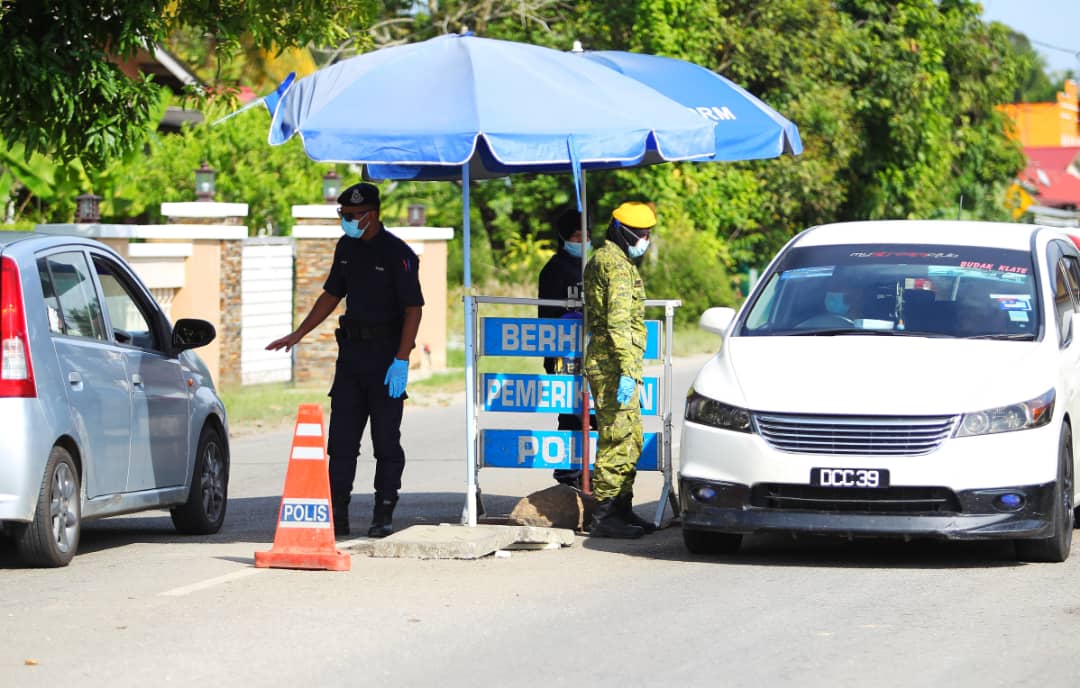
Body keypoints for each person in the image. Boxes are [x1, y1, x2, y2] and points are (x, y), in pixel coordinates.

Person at [266, 182, 423, 539]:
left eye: (353, 215)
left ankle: (383, 513)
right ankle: (337, 513)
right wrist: (298, 333)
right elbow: (331, 294)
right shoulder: (346, 247)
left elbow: (413, 309)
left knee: (385, 441)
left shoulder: (398, 253)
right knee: (341, 443)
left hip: (386, 359)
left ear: (373, 214)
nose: (347, 220)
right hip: (351, 358)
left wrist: (401, 358)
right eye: (344, 214)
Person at [583, 201, 660, 538]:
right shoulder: (612, 264)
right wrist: (628, 370)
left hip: (618, 363)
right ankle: (604, 516)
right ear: (622, 231)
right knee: (616, 438)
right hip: (612, 364)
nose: (645, 240)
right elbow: (617, 324)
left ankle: (622, 508)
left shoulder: (615, 260)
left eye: (648, 233)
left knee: (631, 438)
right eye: (641, 234)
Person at [537, 205, 595, 489]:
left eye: (586, 235)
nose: (582, 241)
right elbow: (547, 317)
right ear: (564, 238)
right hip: (565, 355)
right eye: (576, 236)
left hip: (593, 355)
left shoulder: (593, 266)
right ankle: (568, 477)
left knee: (595, 416)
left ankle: (591, 473)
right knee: (571, 415)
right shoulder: (554, 270)